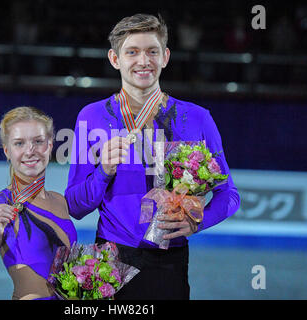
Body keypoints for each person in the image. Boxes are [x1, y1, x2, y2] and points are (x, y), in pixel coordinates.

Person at [65, 14, 240, 300]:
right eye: (132, 52)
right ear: (114, 59)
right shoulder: (92, 116)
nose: (143, 61)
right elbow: (75, 205)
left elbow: (229, 194)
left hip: (170, 263)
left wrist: (201, 220)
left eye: (152, 51)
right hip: (110, 261)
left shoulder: (198, 118)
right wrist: (103, 172)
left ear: (165, 56)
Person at [0, 106, 77, 300]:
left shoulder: (60, 200)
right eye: (19, 143)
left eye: (38, 142)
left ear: (50, 145)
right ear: (7, 151)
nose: (30, 151)